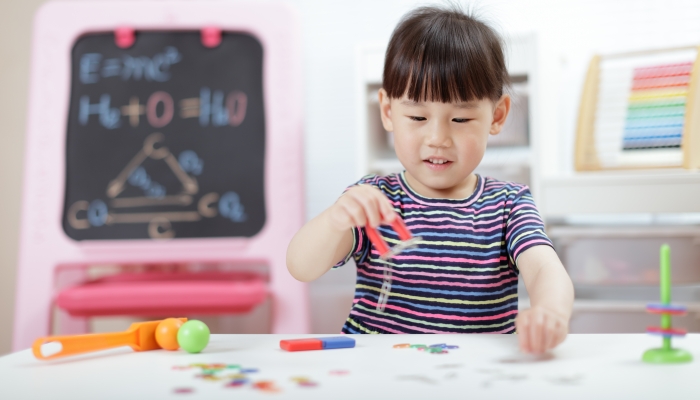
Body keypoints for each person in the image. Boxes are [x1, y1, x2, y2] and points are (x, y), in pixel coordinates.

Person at [287, 4, 573, 354]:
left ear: (496, 116)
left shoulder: (508, 206)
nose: (438, 137)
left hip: (476, 373)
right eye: (418, 116)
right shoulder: (373, 199)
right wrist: (335, 219)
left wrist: (549, 310)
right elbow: (301, 266)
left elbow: (546, 268)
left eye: (461, 120)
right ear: (389, 111)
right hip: (378, 371)